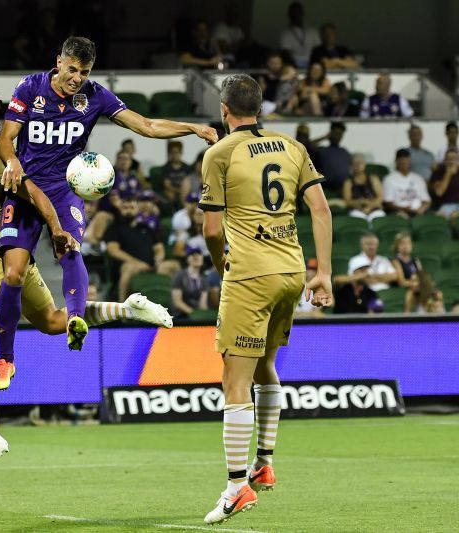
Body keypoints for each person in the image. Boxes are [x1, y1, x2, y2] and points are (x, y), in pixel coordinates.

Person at [0, 91, 174, 478]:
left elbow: (31, 190)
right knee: (55, 321)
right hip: (5, 256)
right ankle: (128, 308)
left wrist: (55, 227)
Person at [0, 36, 216, 373]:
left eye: (83, 72)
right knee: (13, 272)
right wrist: (11, 162)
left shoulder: (95, 96)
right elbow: (5, 137)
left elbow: (147, 125)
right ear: (59, 62)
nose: (77, 78)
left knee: (70, 250)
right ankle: (6, 359)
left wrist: (192, 127)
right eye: (72, 70)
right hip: (25, 187)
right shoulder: (31, 88)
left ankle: (75, 319)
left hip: (63, 188)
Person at [198, 73, 333, 525]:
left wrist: (223, 268)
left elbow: (213, 229)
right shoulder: (292, 147)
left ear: (224, 109)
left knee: (234, 381)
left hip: (251, 275)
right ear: (261, 108)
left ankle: (237, 487)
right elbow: (320, 209)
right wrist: (325, 275)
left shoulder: (219, 152)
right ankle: (265, 463)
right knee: (265, 365)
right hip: (293, 273)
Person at [104, 194, 180, 301]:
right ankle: (122, 307)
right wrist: (136, 263)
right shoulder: (114, 228)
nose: (129, 211)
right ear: (120, 210)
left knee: (174, 265)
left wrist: (159, 259)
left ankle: (176, 305)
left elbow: (158, 247)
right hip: (129, 266)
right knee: (128, 268)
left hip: (152, 265)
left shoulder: (146, 228)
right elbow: (113, 251)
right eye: (125, 208)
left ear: (137, 210)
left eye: (132, 208)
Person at [382, 149, 430, 217]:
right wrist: (403, 209)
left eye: (406, 160)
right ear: (396, 161)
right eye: (401, 161)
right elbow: (388, 203)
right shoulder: (389, 179)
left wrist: (422, 208)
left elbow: (426, 200)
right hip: (399, 211)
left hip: (418, 211)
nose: (404, 163)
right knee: (401, 216)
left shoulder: (418, 178)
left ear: (410, 161)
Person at [343, 154, 385, 222]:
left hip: (374, 208)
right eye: (354, 164)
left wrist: (370, 206)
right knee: (358, 219)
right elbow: (347, 201)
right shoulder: (348, 182)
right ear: (351, 166)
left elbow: (380, 197)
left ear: (364, 164)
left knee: (378, 218)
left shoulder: (373, 178)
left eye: (359, 163)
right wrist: (361, 202)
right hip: (357, 210)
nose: (357, 166)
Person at [170, 246, 209, 317]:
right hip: (179, 317)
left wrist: (204, 316)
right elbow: (177, 302)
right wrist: (194, 314)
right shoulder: (179, 276)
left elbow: (202, 304)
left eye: (199, 254)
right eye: (192, 254)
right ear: (187, 259)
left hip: (195, 316)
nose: (196, 256)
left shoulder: (204, 279)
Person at [279, 1, 319, 68]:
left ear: (302, 13)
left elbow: (318, 50)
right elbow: (285, 54)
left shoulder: (312, 31)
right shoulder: (285, 35)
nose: (296, 15)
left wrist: (313, 64)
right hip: (294, 67)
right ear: (289, 15)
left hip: (313, 65)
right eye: (293, 13)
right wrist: (295, 67)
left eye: (298, 12)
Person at [313, 121, 351, 191]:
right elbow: (306, 147)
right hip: (325, 187)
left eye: (340, 134)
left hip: (343, 188)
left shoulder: (344, 152)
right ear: (330, 133)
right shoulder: (322, 150)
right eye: (336, 133)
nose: (338, 136)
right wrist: (325, 137)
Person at [161, 141, 195, 209]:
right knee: (170, 194)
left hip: (185, 190)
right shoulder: (166, 168)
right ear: (170, 154)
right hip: (173, 191)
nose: (175, 155)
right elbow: (167, 184)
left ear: (181, 153)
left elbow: (191, 181)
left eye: (177, 152)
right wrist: (179, 191)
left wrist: (184, 191)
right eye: (173, 152)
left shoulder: (187, 168)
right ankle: (172, 211)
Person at [430, 148, 459, 221]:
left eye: (454, 159)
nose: (451, 162)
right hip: (446, 205)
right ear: (444, 161)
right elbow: (439, 192)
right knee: (440, 218)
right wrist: (448, 174)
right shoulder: (438, 172)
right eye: (449, 159)